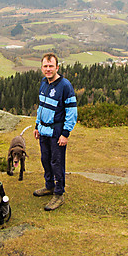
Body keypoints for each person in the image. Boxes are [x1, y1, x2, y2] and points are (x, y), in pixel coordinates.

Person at [33, 53, 77, 211]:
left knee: (57, 163)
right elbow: (41, 107)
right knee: (45, 159)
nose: (48, 69)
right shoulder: (43, 83)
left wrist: (65, 133)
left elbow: (72, 112)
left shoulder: (65, 85)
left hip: (57, 131)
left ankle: (59, 194)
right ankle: (49, 186)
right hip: (44, 130)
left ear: (57, 67)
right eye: (45, 66)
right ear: (42, 68)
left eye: (51, 66)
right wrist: (37, 125)